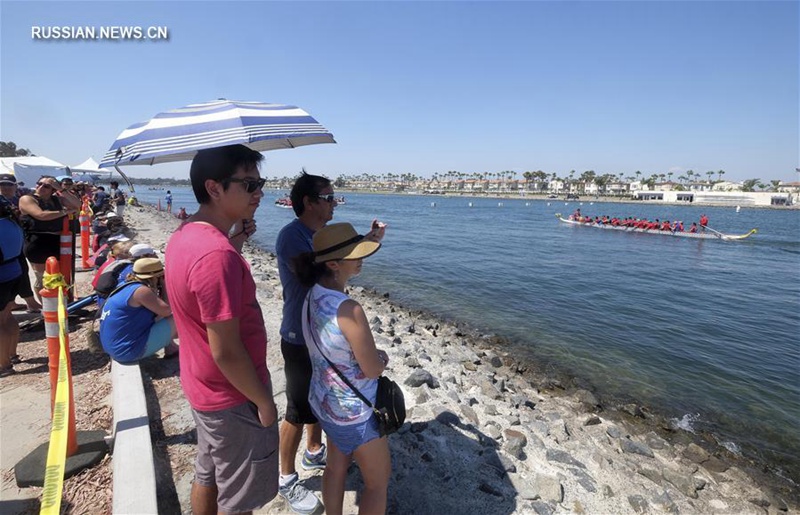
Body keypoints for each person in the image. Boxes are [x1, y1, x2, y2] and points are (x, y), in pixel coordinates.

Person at [164, 144, 278, 514]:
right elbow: (227, 350)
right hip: (233, 397)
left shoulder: (186, 235)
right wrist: (263, 400)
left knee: (208, 474)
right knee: (239, 499)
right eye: (249, 184)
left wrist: (237, 242)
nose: (259, 193)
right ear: (214, 188)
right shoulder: (217, 256)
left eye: (260, 183)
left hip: (203, 387)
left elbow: (204, 297)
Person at [275, 172, 386, 514]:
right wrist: (379, 358)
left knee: (328, 441)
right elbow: (370, 367)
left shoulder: (320, 277)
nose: (333, 202)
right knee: (296, 412)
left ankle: (313, 451)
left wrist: (362, 241)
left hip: (326, 374)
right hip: (306, 343)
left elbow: (330, 258)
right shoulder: (293, 237)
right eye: (328, 197)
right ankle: (287, 477)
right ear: (308, 202)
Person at [295, 222, 390, 515]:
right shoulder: (349, 309)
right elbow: (372, 369)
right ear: (334, 264)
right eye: (355, 253)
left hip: (326, 402)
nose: (361, 258)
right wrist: (382, 358)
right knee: (377, 483)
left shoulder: (312, 294)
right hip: (355, 413)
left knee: (336, 467)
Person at [99, 257, 178, 362]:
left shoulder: (125, 285)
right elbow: (167, 310)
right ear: (156, 276)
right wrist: (164, 285)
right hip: (127, 351)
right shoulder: (141, 291)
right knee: (178, 318)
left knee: (158, 316)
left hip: (115, 348)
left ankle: (171, 348)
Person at [18, 176, 75, 301]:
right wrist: (65, 212)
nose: (41, 187)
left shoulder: (57, 199)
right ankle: (47, 308)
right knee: (44, 277)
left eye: (47, 186)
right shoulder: (27, 199)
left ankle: (63, 303)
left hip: (57, 241)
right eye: (39, 184)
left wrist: (61, 189)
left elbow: (77, 205)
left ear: (53, 189)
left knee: (61, 274)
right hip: (38, 241)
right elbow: (41, 215)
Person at [0, 174, 41, 313]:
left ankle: (13, 302)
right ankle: (28, 302)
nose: (5, 187)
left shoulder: (20, 201)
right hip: (6, 246)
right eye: (2, 184)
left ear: (15, 186)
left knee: (21, 272)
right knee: (20, 272)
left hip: (18, 242)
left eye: (9, 184)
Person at [0, 195, 25, 377]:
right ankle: (12, 354)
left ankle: (3, 365)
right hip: (14, 272)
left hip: (2, 276)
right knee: (7, 316)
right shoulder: (12, 223)